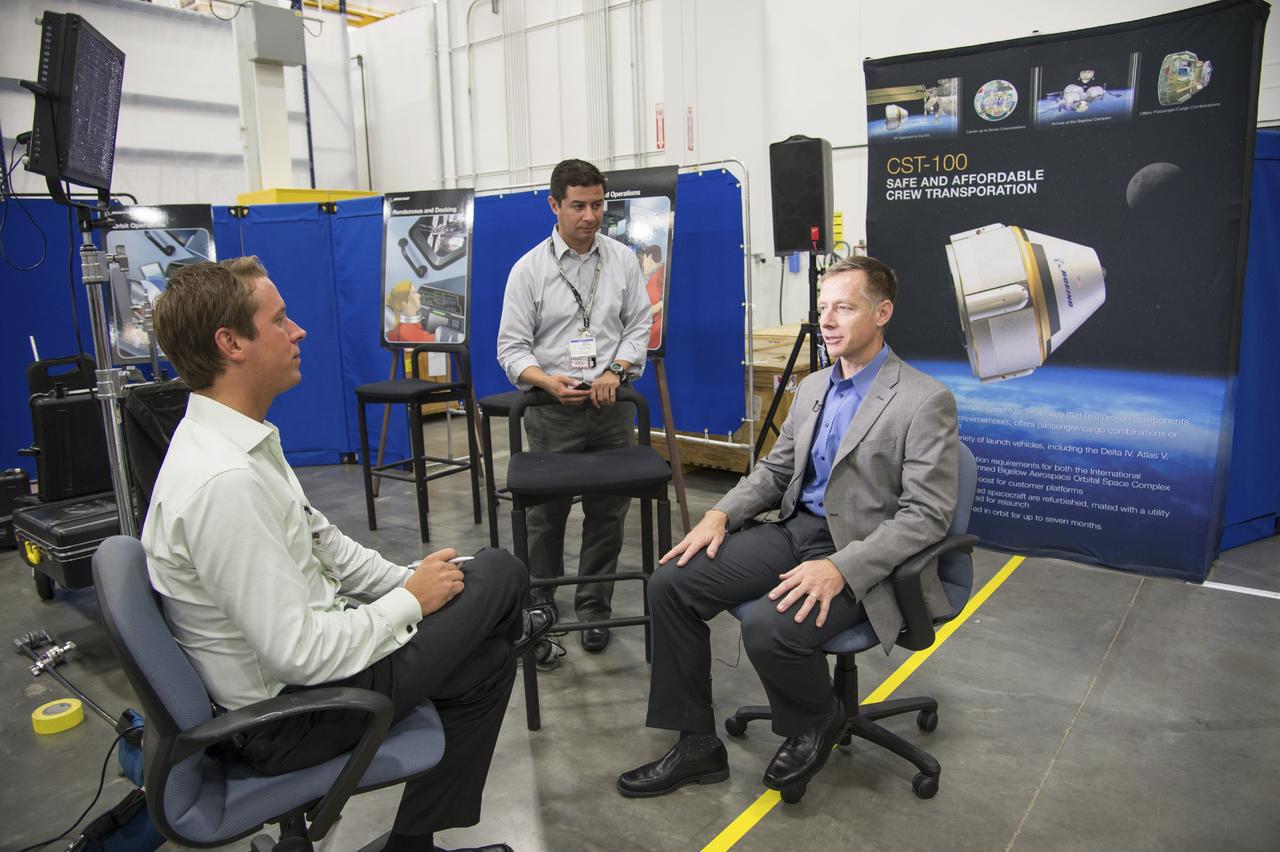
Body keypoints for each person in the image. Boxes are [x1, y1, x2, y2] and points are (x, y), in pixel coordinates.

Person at [142, 257, 554, 852]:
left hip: (312, 677)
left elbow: (326, 546)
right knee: (502, 572)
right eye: (280, 320)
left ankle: (411, 846)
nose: (298, 331)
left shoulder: (237, 442)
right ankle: (519, 627)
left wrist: (410, 580)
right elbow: (300, 654)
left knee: (487, 658)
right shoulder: (224, 483)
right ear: (231, 343)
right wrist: (410, 604)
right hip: (290, 718)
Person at [617, 256, 959, 798]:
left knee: (768, 627)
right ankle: (697, 745)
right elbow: (776, 471)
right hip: (796, 531)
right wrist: (720, 514)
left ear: (882, 313)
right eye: (823, 308)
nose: (828, 321)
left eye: (844, 308)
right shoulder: (815, 385)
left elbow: (927, 514)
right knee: (671, 583)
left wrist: (840, 569)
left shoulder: (923, 399)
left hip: (863, 554)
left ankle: (817, 719)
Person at [496, 158, 652, 658]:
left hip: (611, 407)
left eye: (598, 205)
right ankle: (541, 606)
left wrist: (616, 371)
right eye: (578, 206)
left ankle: (594, 609)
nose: (590, 216)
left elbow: (639, 326)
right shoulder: (529, 270)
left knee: (608, 513)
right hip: (552, 410)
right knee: (546, 516)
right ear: (554, 205)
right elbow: (511, 348)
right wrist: (545, 380)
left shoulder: (622, 260)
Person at [638, 244, 666, 351]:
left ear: (649, 257)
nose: (643, 264)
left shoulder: (662, 273)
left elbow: (662, 302)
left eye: (644, 259)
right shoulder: (650, 276)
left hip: (655, 332)